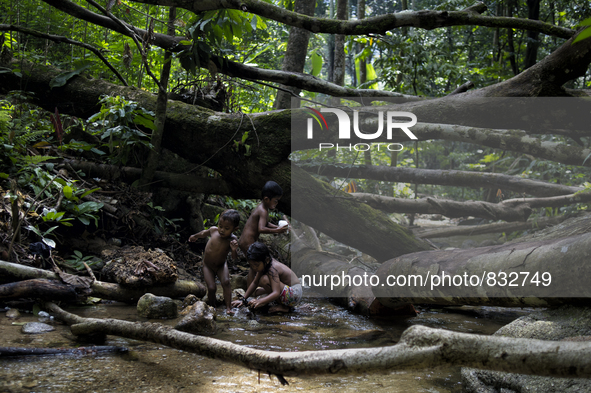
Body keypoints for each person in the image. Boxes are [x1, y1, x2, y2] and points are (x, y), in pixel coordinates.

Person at [189, 209, 240, 315]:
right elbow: (203, 233)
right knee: (211, 288)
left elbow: (235, 258)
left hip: (221, 265)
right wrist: (195, 236)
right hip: (207, 265)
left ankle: (228, 307)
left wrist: (234, 250)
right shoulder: (213, 230)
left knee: (226, 282)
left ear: (235, 229)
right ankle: (212, 306)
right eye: (220, 226)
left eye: (226, 228)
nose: (222, 230)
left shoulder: (232, 239)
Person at [238, 180, 288, 287]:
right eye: (275, 201)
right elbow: (261, 228)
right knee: (254, 267)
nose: (276, 203)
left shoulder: (262, 207)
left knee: (254, 266)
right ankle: (250, 291)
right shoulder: (263, 211)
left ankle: (251, 290)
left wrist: (277, 227)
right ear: (266, 199)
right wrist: (277, 231)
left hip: (245, 241)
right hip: (248, 241)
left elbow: (266, 223)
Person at [231, 242, 302, 313]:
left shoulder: (273, 269)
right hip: (288, 291)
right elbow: (255, 282)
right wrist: (243, 300)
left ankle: (285, 307)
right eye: (251, 265)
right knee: (257, 292)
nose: (254, 268)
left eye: (256, 265)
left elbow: (276, 293)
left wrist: (260, 301)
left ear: (267, 260)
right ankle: (280, 303)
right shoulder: (265, 264)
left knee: (264, 280)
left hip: (295, 293)